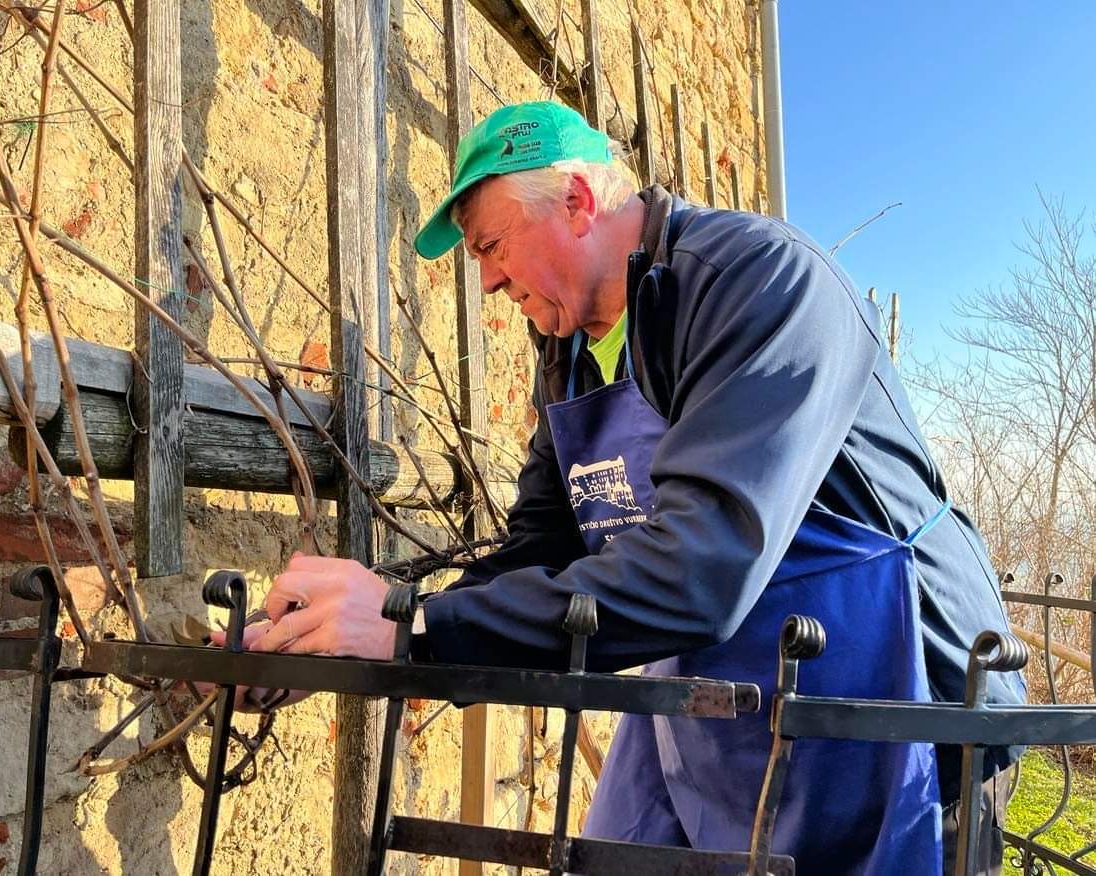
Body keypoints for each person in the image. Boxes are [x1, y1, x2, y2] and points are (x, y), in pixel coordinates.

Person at [226, 101, 1025, 874]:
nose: (491, 282)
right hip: (719, 698)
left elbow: (702, 565)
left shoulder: (758, 282)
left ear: (575, 201)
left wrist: (421, 625)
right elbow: (534, 555)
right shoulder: (572, 357)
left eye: (491, 245)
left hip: (895, 709)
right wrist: (351, 636)